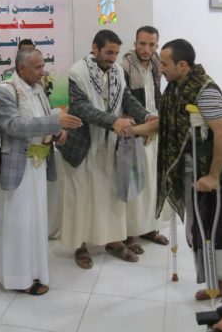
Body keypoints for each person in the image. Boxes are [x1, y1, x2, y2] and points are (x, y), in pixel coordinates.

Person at [133, 39, 222, 304]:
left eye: (165, 64)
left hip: (220, 176)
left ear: (182, 65)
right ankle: (216, 283)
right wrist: (132, 130)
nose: (161, 69)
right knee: (198, 230)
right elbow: (164, 124)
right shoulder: (174, 89)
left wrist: (213, 176)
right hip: (192, 174)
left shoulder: (206, 91)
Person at [0, 48, 81, 295]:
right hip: (18, 167)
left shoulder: (38, 89)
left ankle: (33, 272)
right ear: (21, 68)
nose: (43, 71)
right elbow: (14, 126)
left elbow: (43, 118)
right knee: (18, 223)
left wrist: (58, 133)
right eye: (38, 67)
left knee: (35, 222)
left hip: (38, 165)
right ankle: (17, 278)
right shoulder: (5, 91)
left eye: (43, 66)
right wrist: (55, 122)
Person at [59, 29, 150, 268]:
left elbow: (127, 99)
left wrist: (147, 116)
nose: (113, 58)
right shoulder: (77, 72)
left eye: (116, 53)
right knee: (81, 197)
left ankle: (113, 240)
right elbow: (82, 108)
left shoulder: (118, 71)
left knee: (111, 195)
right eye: (109, 52)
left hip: (110, 145)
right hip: (82, 145)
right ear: (95, 48)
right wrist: (114, 122)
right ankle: (80, 245)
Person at [121, 26, 168, 255]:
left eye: (151, 44)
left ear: (156, 46)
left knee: (152, 183)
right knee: (134, 183)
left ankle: (149, 227)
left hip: (154, 129)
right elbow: (124, 100)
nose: (146, 49)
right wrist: (141, 126)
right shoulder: (125, 67)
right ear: (135, 43)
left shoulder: (158, 65)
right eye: (142, 44)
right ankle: (129, 233)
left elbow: (156, 96)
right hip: (135, 129)